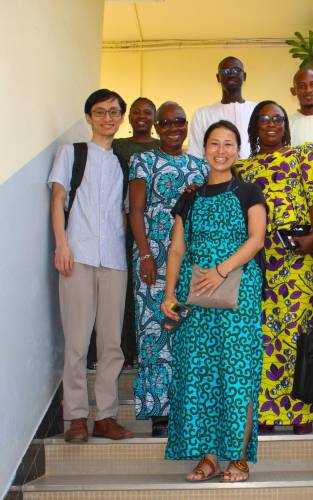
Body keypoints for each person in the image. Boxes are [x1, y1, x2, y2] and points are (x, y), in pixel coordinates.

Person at [162, 120, 266, 482]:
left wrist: (221, 270)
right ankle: (208, 458)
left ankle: (237, 458)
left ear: (238, 150)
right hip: (197, 298)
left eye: (228, 144)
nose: (221, 150)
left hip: (240, 294)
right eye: (214, 144)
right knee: (200, 376)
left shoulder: (250, 191)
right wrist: (169, 294)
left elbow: (256, 240)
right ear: (203, 150)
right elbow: (177, 249)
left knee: (238, 374)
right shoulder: (189, 197)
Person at [234, 100, 313, 435]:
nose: (271, 124)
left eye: (277, 119)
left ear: (286, 124)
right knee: (264, 335)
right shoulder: (241, 169)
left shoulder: (305, 154)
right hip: (258, 260)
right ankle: (267, 413)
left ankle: (302, 411)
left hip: (298, 255)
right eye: (263, 119)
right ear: (254, 126)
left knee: (300, 333)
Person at [49, 89, 133, 442]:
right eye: (100, 112)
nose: (108, 118)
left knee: (112, 343)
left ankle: (106, 416)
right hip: (78, 256)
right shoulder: (72, 154)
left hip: (114, 260)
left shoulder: (123, 163)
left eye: (114, 112)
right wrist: (61, 245)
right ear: (89, 117)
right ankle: (77, 418)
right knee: (77, 341)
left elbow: (126, 213)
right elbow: (57, 198)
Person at [129, 102, 208, 437]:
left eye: (180, 121)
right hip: (153, 258)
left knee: (187, 331)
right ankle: (159, 412)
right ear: (158, 128)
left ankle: (188, 405)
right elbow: (134, 211)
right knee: (154, 331)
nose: (174, 127)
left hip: (190, 259)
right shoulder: (142, 160)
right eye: (167, 122)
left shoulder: (200, 166)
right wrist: (146, 255)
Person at [86, 97, 160, 371]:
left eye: (148, 112)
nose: (142, 116)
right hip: (118, 229)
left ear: (154, 118)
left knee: (149, 292)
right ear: (129, 118)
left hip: (153, 231)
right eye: (137, 112)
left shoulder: (160, 147)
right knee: (121, 296)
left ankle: (145, 350)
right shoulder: (117, 146)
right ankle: (121, 352)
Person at [188, 56, 256, 159]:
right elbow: (195, 154)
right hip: (214, 173)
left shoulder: (257, 110)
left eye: (236, 70)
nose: (231, 74)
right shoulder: (202, 115)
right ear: (218, 77)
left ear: (244, 76)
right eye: (225, 71)